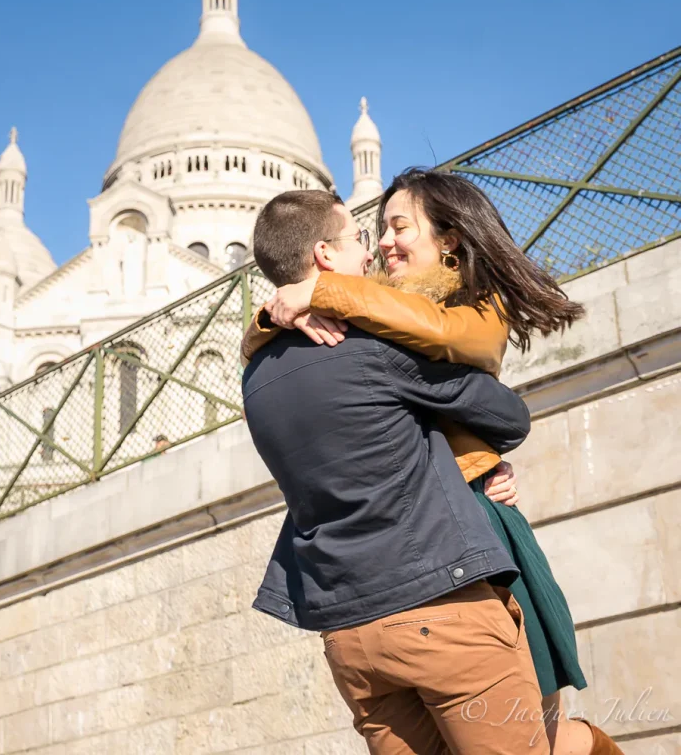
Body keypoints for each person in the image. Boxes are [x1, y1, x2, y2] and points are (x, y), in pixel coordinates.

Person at [243, 173, 623, 755]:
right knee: (544, 739)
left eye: (398, 227)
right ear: (324, 253)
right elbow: (505, 414)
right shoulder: (369, 337)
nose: (377, 246)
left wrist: (302, 302)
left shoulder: (258, 374)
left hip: (352, 614)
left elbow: (445, 344)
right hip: (444, 578)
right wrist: (291, 307)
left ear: (449, 241)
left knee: (547, 730)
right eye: (366, 234)